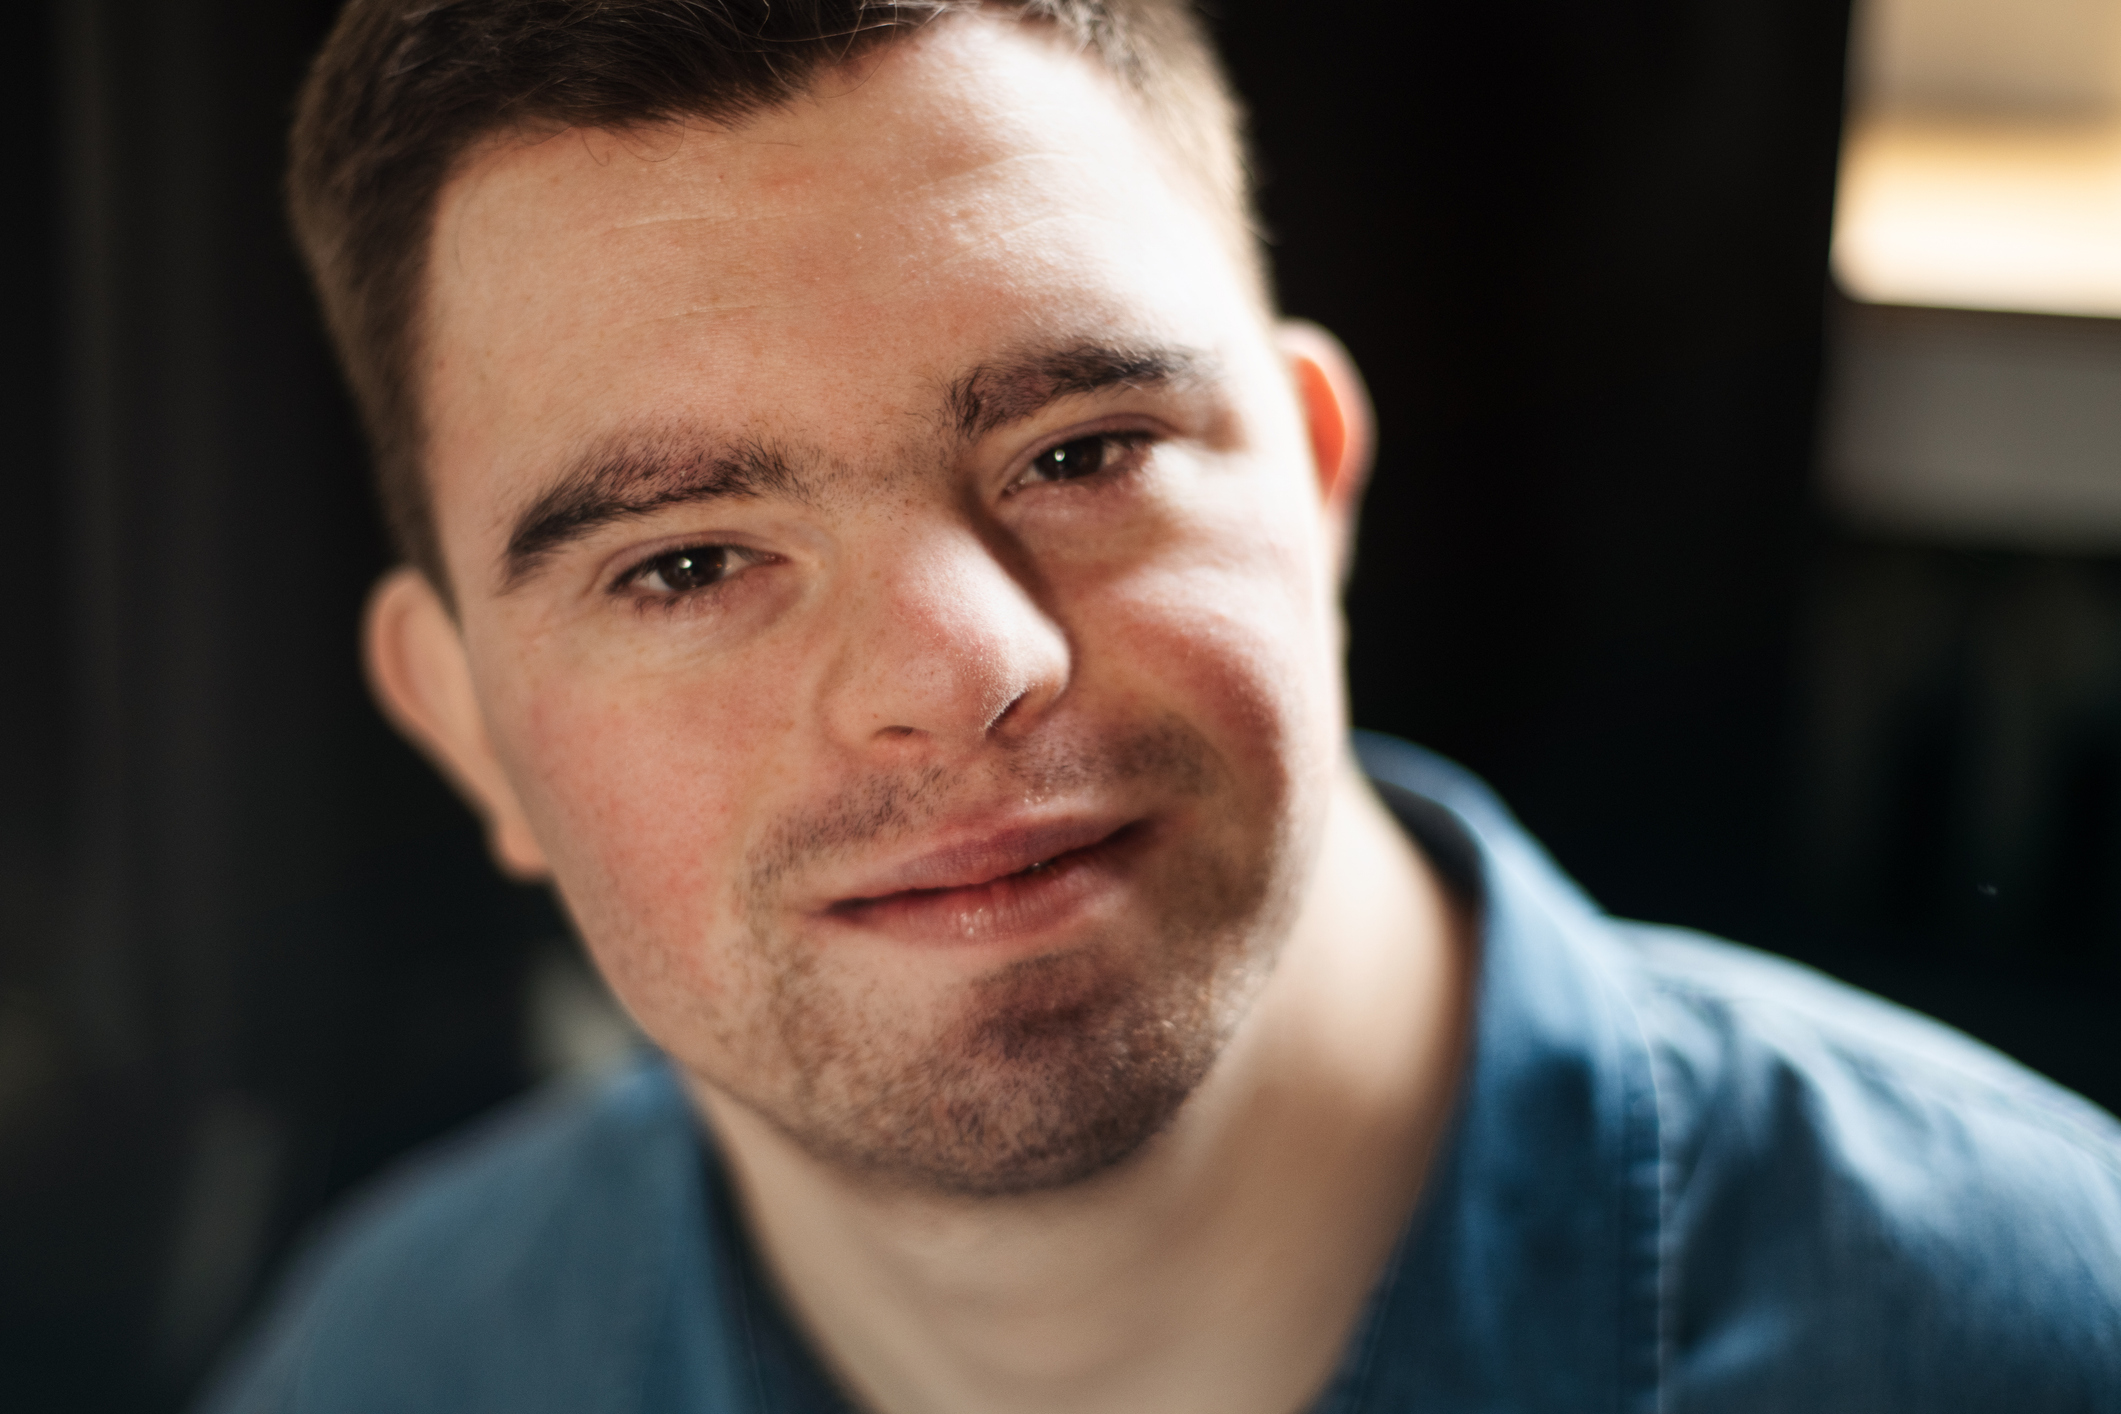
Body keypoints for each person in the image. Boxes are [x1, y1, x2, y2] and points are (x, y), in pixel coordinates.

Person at [204, 2, 2121, 1410]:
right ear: (463, 725)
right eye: (686, 562)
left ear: (1316, 476)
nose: (953, 669)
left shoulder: (2034, 1336)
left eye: (1081, 448)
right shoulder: (385, 1361)